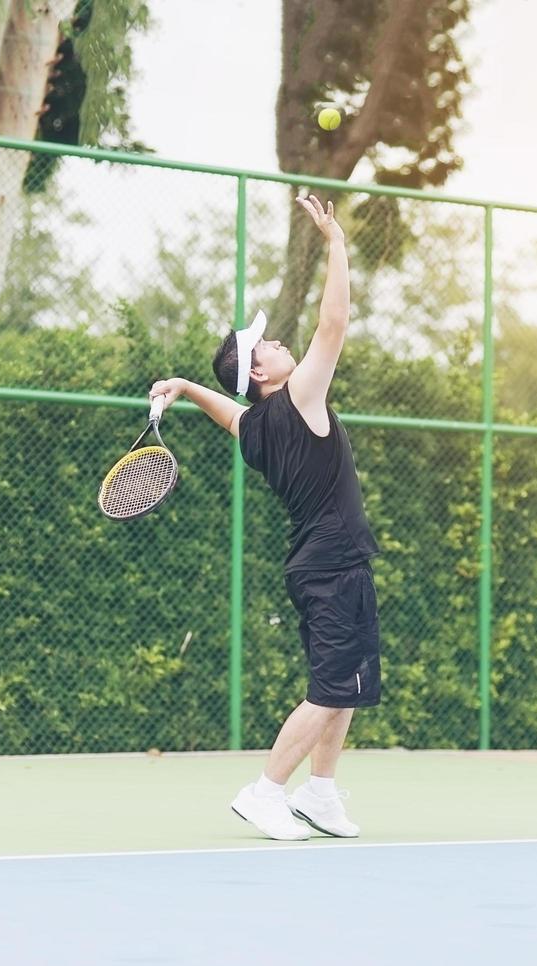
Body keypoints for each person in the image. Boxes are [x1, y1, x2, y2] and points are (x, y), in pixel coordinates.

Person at [149, 195, 380, 841]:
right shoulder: (300, 394)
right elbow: (333, 323)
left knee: (347, 684)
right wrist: (335, 241)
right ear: (261, 371)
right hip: (332, 562)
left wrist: (187, 386)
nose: (282, 343)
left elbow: (227, 411)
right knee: (332, 687)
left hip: (323, 561)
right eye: (271, 344)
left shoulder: (253, 427)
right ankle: (265, 790)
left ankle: (322, 795)